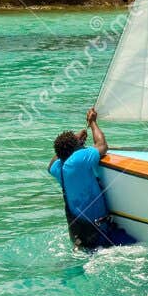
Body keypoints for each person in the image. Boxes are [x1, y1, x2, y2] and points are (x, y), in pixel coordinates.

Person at [49, 107, 133, 250]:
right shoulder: (77, 160)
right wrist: (93, 122)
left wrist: (73, 141)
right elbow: (102, 146)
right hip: (100, 232)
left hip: (80, 234)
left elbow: (52, 162)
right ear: (74, 150)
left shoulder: (58, 168)